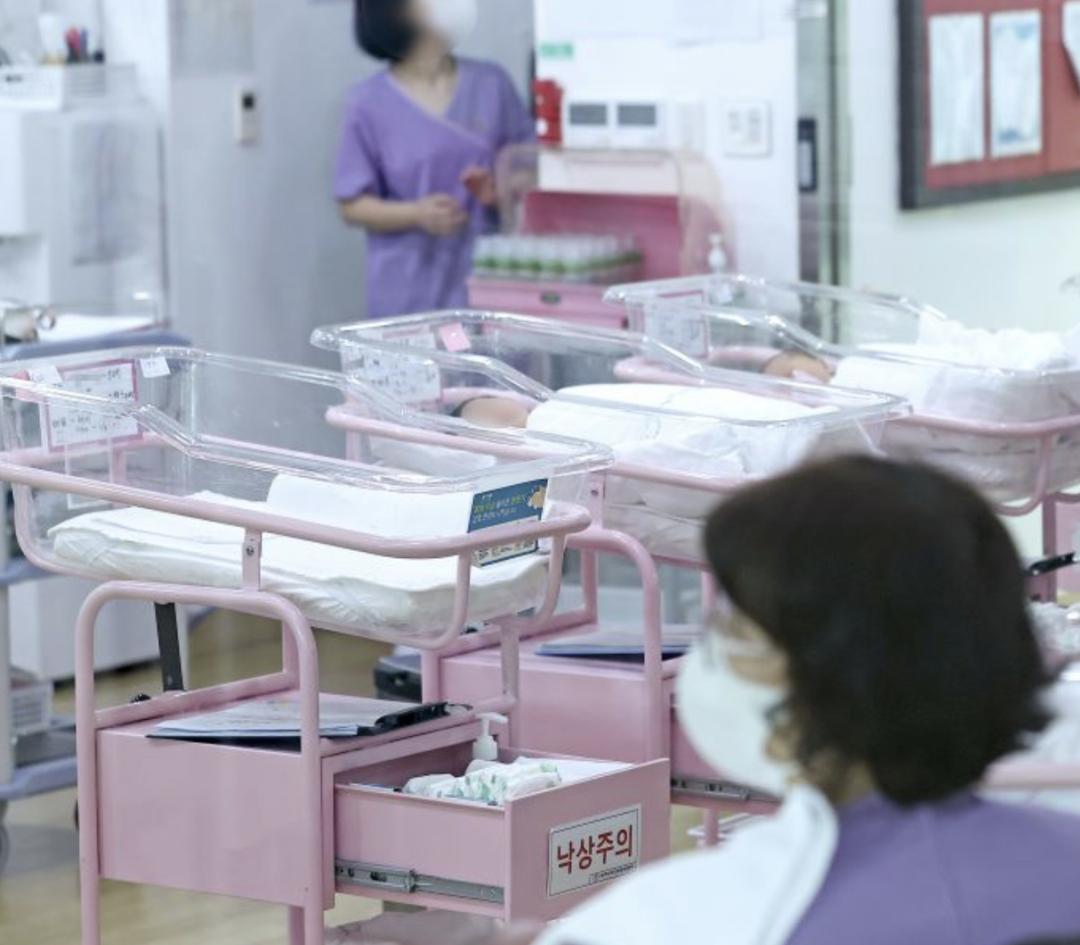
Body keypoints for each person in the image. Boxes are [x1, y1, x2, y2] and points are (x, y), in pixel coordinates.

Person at [534, 457, 1080, 945]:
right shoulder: (1062, 862)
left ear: (831, 676)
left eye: (735, 628)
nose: (708, 651)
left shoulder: (678, 920)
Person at [336, 0, 534, 318]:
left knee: (486, 349)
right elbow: (352, 205)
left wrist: (501, 191)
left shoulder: (491, 83)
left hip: (486, 279)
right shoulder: (368, 103)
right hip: (407, 289)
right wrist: (416, 214)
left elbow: (534, 169)